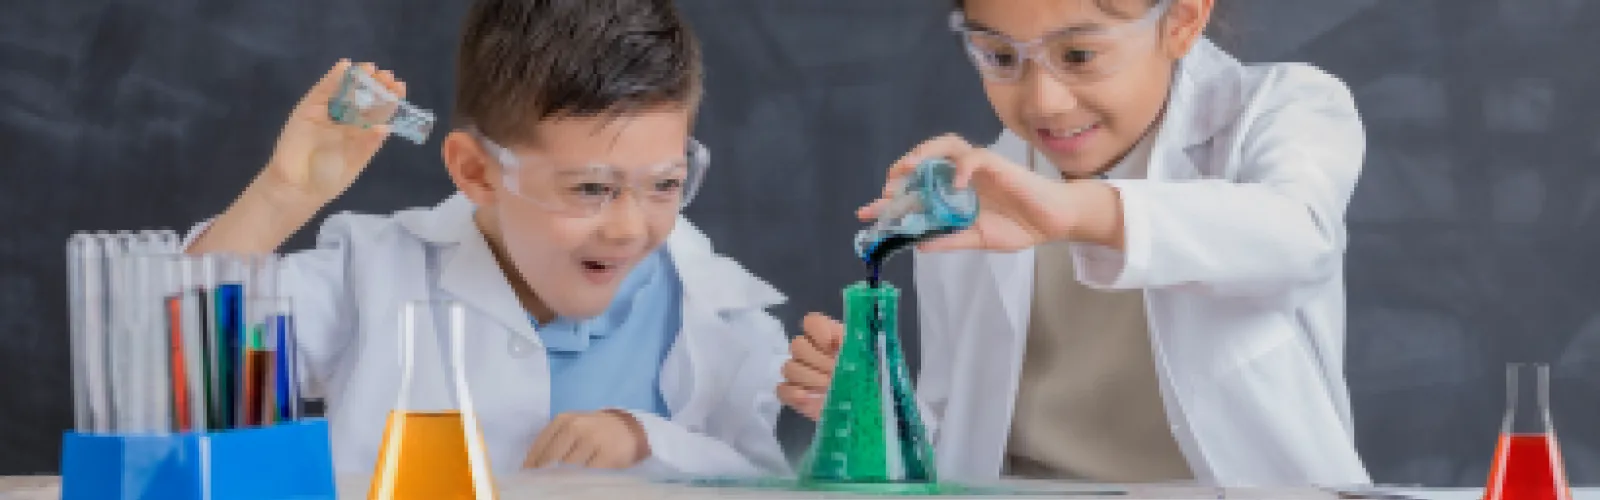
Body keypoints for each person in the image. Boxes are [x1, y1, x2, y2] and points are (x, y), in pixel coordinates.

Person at [184, 0, 789, 478]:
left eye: (665, 184)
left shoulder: (722, 318)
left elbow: (761, 477)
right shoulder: (372, 275)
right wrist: (283, 194)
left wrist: (645, 438)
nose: (629, 228)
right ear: (476, 172)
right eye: (590, 188)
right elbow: (191, 365)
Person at [778, 0, 1371, 487]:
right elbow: (964, 443)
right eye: (999, 56)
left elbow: (1299, 235)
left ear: (1182, 20)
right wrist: (881, 411)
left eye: (1079, 55)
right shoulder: (969, 199)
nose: (1044, 101)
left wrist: (1076, 212)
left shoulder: (1283, 108)